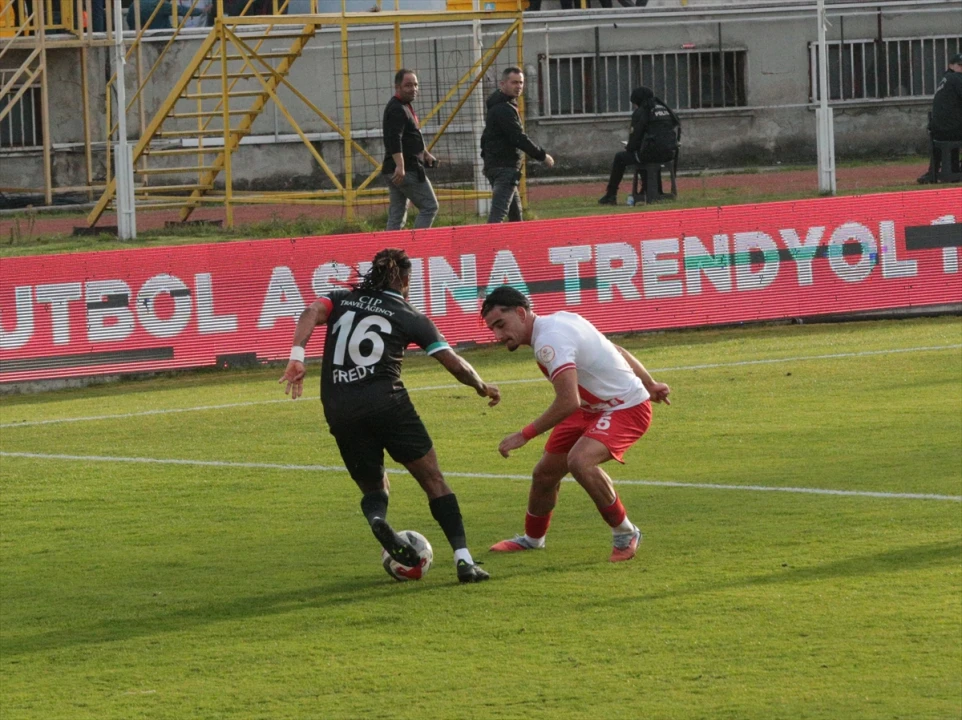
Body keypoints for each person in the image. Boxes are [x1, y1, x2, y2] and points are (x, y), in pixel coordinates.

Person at [279, 248, 500, 583]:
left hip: (340, 409)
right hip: (388, 403)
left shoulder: (340, 298)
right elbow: (454, 364)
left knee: (374, 488)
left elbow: (310, 311)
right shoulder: (409, 315)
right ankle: (464, 561)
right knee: (433, 480)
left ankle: (377, 519)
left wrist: (297, 356)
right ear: (406, 280)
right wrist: (482, 386)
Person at [480, 286, 671, 563]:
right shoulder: (562, 320)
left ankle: (625, 532)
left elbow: (569, 401)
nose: (498, 336)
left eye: (501, 325)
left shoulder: (549, 342)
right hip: (592, 409)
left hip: (625, 408)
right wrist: (649, 382)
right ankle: (533, 540)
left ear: (521, 313)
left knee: (580, 461)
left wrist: (525, 434)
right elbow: (613, 349)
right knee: (545, 474)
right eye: (493, 329)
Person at [480, 67, 555, 223]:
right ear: (502, 84)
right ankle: (486, 245)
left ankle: (519, 245)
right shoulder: (504, 109)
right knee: (498, 216)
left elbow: (487, 137)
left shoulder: (500, 104)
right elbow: (518, 138)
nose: (518, 86)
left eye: (521, 82)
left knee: (515, 216)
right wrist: (542, 156)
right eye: (514, 82)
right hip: (504, 168)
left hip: (498, 166)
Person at [599, 86, 680, 205]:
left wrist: (629, 147)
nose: (634, 106)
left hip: (651, 153)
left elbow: (635, 136)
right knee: (644, 153)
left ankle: (611, 195)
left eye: (634, 103)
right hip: (669, 153)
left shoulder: (642, 111)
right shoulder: (665, 109)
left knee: (621, 157)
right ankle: (651, 190)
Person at [382, 70, 440, 231]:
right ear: (397, 87)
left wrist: (425, 153)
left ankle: (390, 252)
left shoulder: (404, 106)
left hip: (395, 168)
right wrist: (400, 166)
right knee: (430, 206)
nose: (413, 88)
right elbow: (394, 139)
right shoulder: (397, 109)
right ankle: (416, 247)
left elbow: (411, 135)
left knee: (397, 214)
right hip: (406, 169)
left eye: (415, 85)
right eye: (408, 85)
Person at [919, 53, 962, 184]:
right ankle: (954, 170)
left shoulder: (946, 79)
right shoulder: (956, 78)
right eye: (960, 65)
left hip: (938, 130)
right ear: (951, 66)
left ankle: (938, 171)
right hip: (952, 130)